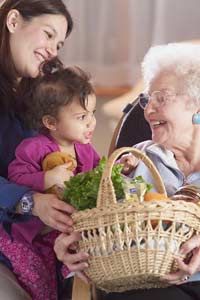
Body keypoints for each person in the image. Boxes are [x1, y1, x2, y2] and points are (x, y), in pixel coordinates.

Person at [54, 43, 200, 300]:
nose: (148, 110)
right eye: (147, 99)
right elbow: (102, 220)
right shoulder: (135, 159)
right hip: (139, 284)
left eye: (161, 98)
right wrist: (71, 242)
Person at [0, 0, 81, 299]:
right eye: (48, 34)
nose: (52, 50)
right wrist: (30, 202)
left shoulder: (37, 98)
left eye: (58, 44)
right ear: (13, 21)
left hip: (38, 241)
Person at [1, 60, 99, 299]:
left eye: (92, 114)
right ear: (51, 123)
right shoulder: (34, 148)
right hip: (26, 237)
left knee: (74, 277)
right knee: (38, 285)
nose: (90, 123)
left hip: (60, 234)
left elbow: (99, 174)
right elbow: (16, 176)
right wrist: (47, 178)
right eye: (81, 116)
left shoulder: (86, 151)